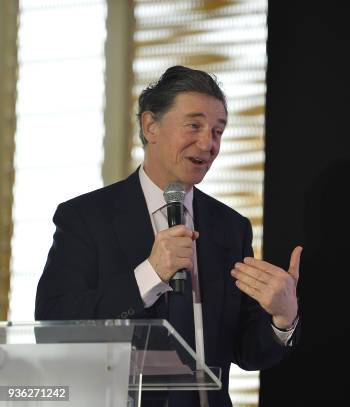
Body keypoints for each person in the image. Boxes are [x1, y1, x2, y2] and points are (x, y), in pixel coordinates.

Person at [34, 66, 301, 407]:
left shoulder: (230, 227)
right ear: (151, 126)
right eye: (194, 125)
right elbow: (54, 327)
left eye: (218, 131)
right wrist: (149, 275)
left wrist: (282, 318)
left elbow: (247, 351)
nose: (208, 143)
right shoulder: (86, 218)